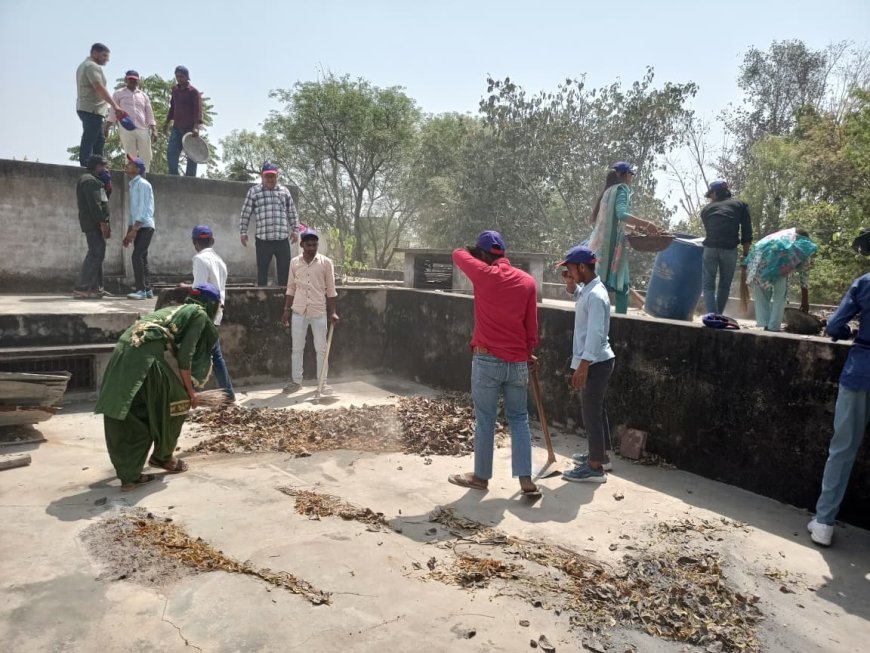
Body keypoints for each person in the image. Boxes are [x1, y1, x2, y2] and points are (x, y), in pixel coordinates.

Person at [95, 284, 220, 490]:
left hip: (124, 350)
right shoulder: (198, 314)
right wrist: (191, 393)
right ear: (211, 303)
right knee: (177, 402)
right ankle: (164, 457)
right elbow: (185, 357)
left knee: (133, 411)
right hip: (143, 355)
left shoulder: (175, 310)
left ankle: (129, 475)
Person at [447, 231, 541, 497]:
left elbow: (456, 253)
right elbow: (531, 328)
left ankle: (481, 478)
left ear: (483, 255)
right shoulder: (527, 282)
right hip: (517, 363)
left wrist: (474, 254)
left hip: (487, 360)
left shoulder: (483, 274)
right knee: (520, 418)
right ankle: (525, 480)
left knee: (486, 419)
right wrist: (528, 352)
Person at [808, 228, 870, 546]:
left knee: (843, 449)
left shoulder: (864, 283)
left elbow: (834, 325)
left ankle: (824, 522)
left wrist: (850, 331)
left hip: (861, 372)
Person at [558, 245, 616, 483]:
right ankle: (601, 456)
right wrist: (572, 287)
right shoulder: (589, 289)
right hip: (597, 360)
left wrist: (583, 365)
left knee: (590, 412)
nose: (568, 272)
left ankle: (595, 468)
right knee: (596, 409)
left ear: (582, 267)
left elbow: (595, 333)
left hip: (595, 362)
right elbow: (580, 297)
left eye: (571, 268)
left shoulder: (596, 295)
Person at [588, 162, 661, 314]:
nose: (631, 178)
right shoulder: (622, 189)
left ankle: (596, 314)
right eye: (631, 175)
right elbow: (621, 214)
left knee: (600, 283)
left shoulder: (608, 192)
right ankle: (621, 318)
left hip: (598, 245)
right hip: (613, 248)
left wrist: (634, 228)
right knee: (622, 284)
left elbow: (613, 222)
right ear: (626, 175)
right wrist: (647, 224)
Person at [281, 229, 339, 394]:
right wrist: (286, 309)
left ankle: (323, 383)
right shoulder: (294, 263)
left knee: (321, 349)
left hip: (319, 312)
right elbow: (291, 287)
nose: (312, 248)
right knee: (297, 348)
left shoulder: (326, 263)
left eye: (315, 244)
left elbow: (331, 290)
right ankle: (296, 382)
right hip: (298, 311)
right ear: (302, 245)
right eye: (309, 245)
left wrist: (333, 312)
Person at [185, 225, 236, 402]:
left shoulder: (199, 259)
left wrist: (186, 290)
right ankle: (228, 394)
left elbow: (200, 289)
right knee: (214, 353)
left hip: (204, 311)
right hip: (217, 312)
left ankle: (194, 394)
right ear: (212, 241)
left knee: (195, 352)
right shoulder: (220, 262)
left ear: (194, 242)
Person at [743, 227, 817, 332]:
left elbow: (754, 253)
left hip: (759, 266)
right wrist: (805, 300)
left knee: (762, 296)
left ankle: (765, 324)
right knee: (779, 297)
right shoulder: (802, 246)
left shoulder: (776, 238)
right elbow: (804, 274)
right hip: (779, 269)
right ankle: (773, 328)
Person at [239, 162, 300, 286]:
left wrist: (295, 230)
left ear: (277, 176)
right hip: (263, 241)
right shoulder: (254, 192)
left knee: (285, 272)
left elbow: (292, 211)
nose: (270, 179)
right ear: (262, 176)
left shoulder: (284, 191)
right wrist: (243, 232)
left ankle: (283, 298)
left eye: (273, 176)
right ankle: (262, 298)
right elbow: (246, 213)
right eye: (267, 176)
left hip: (282, 239)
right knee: (262, 274)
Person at [700, 180, 753, 315]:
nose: (710, 198)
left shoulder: (706, 210)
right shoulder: (740, 205)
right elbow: (747, 231)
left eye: (710, 195)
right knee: (724, 285)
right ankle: (717, 316)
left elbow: (711, 230)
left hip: (710, 248)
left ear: (715, 193)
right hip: (729, 249)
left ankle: (713, 315)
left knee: (708, 285)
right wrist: (746, 255)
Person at [75, 43, 123, 167]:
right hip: (92, 108)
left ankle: (98, 165)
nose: (106, 59)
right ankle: (86, 164)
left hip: (90, 108)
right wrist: (115, 106)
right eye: (104, 55)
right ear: (95, 53)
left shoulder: (84, 65)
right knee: (90, 138)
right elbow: (99, 87)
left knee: (99, 139)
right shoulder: (91, 66)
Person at [73, 155, 111, 299]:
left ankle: (96, 288)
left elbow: (102, 201)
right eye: (104, 166)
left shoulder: (94, 180)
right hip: (94, 223)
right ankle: (82, 287)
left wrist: (107, 185)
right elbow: (95, 205)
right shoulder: (90, 181)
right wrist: (102, 223)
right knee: (95, 253)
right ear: (97, 166)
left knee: (98, 254)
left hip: (95, 222)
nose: (106, 169)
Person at [106, 70, 157, 171]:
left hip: (142, 128)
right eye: (130, 79)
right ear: (126, 79)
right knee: (130, 155)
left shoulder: (143, 95)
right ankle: (131, 177)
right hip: (126, 128)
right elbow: (113, 112)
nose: (133, 82)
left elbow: (149, 114)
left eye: (135, 80)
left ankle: (144, 176)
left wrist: (154, 130)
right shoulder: (118, 94)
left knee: (146, 155)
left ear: (138, 81)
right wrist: (107, 127)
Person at [123, 155, 156, 300]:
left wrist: (134, 229)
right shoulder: (133, 185)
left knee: (137, 255)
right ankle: (147, 290)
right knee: (142, 257)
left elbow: (143, 209)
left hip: (145, 225)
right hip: (140, 226)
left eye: (130, 164)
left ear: (137, 169)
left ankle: (141, 290)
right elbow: (133, 211)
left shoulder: (143, 184)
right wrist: (128, 232)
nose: (127, 165)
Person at [163, 65, 203, 176]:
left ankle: (190, 178)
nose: (179, 78)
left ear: (187, 77)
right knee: (172, 152)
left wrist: (196, 126)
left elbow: (198, 110)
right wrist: (167, 122)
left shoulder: (194, 92)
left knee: (191, 155)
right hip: (177, 127)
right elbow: (173, 107)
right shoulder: (175, 90)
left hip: (190, 128)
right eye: (177, 76)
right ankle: (173, 176)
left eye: (181, 76)